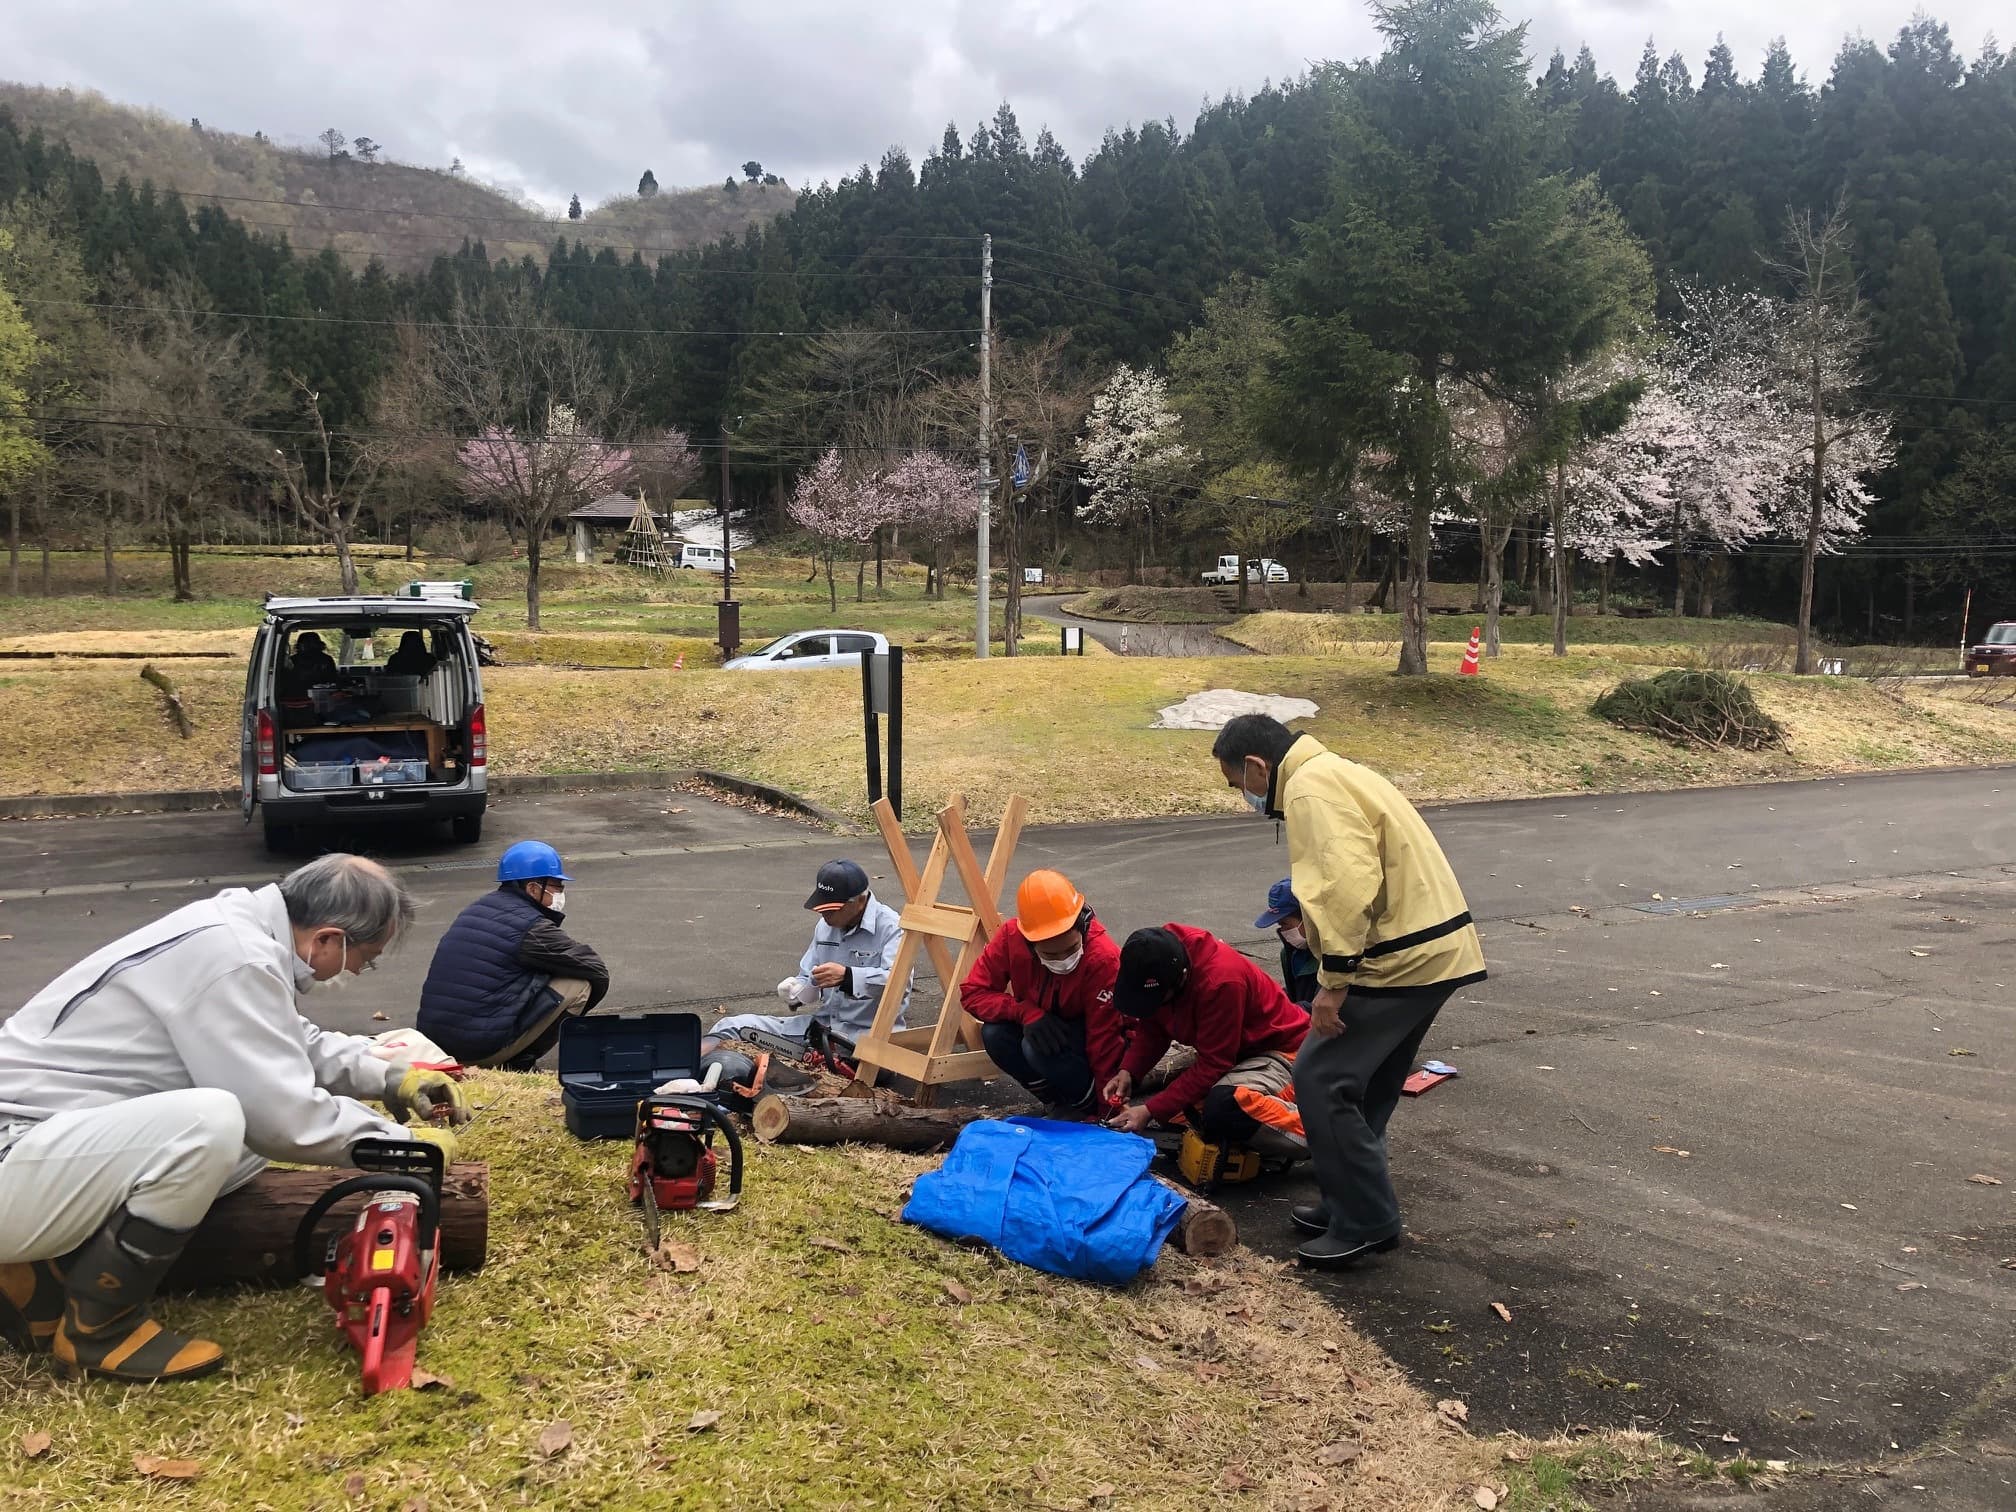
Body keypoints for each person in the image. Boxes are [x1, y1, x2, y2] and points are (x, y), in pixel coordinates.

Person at [0, 855, 467, 1383]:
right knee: (215, 1119)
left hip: (39, 1143)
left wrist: (391, 1077)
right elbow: (281, 1116)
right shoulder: (235, 957)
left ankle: (32, 1278)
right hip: (16, 1151)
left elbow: (288, 1042)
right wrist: (401, 1143)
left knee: (233, 1135)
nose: (360, 970)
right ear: (329, 939)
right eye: (367, 957)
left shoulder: (235, 934)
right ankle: (99, 1329)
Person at [1212, 713, 1486, 1269]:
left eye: (1239, 784)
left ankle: (1366, 1221)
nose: (1244, 797)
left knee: (1320, 1078)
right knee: (1366, 1087)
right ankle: (1348, 1203)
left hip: (1399, 959)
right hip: (1438, 952)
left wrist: (1332, 985)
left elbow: (1343, 888)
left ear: (1259, 767)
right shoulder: (1335, 771)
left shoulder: (1312, 790)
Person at [1101, 924, 1310, 1162]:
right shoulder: (1151, 954)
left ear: (1181, 979)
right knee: (1181, 1115)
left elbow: (1214, 1064)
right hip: (1236, 1052)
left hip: (1285, 1052)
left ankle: (1329, 1132)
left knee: (1226, 1108)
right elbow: (1154, 1026)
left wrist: (1149, 1111)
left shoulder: (1220, 982)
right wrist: (1128, 1071)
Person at [418, 841, 609, 1070]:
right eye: (556, 886)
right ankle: (519, 1062)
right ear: (532, 889)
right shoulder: (532, 928)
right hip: (476, 1049)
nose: (560, 893)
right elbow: (595, 969)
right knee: (578, 985)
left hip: (435, 1045)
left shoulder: (478, 908)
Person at [705, 859, 908, 1055]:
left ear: (860, 901)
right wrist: (797, 990)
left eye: (831, 910)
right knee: (731, 1027)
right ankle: (691, 1077)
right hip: (821, 1029)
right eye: (822, 909)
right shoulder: (825, 927)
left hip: (866, 1036)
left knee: (861, 1063)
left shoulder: (892, 928)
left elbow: (899, 985)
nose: (824, 916)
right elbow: (809, 976)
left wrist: (848, 977)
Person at [959, 869, 1120, 1113]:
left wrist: (1107, 1105)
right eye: (1050, 955)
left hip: (1088, 1032)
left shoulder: (1103, 958)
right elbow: (972, 993)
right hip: (1039, 1022)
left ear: (1084, 926)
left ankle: (1085, 1104)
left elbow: (1105, 1036)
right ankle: (1057, 1101)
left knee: (1035, 1048)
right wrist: (1024, 1012)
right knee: (994, 1035)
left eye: (1071, 949)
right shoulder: (1010, 938)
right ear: (1028, 942)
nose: (1063, 960)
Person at [1256, 878, 1319, 1008]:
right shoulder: (1290, 954)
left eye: (1285, 924)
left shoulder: (1332, 956)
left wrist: (1288, 1010)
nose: (1283, 931)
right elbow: (1295, 994)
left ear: (1308, 918)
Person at [283, 631, 338, 697]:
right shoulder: (292, 660)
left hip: (322, 694)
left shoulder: (326, 660)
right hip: (299, 695)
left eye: (311, 644)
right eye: (306, 644)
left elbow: (333, 679)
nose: (309, 646)